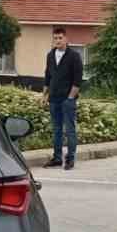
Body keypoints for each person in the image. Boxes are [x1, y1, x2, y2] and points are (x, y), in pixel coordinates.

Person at [42, 27, 82, 170]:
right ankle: (57, 158)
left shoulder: (74, 56)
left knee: (70, 130)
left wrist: (70, 98)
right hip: (54, 98)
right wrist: (45, 95)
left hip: (67, 99)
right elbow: (48, 76)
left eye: (60, 38)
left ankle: (70, 158)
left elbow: (78, 80)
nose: (58, 40)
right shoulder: (50, 55)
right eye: (56, 38)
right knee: (57, 129)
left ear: (66, 39)